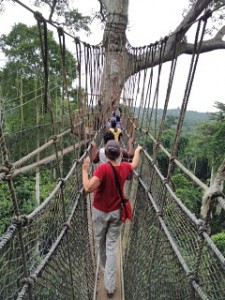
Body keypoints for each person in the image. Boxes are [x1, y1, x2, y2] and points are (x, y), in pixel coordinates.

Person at [82, 141, 142, 298]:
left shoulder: (102, 169)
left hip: (99, 213)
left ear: (106, 154)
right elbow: (135, 163)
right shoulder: (124, 167)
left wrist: (84, 169)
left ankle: (104, 270)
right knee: (111, 247)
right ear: (120, 155)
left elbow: (88, 188)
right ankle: (110, 287)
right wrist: (138, 150)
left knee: (100, 243)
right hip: (116, 214)